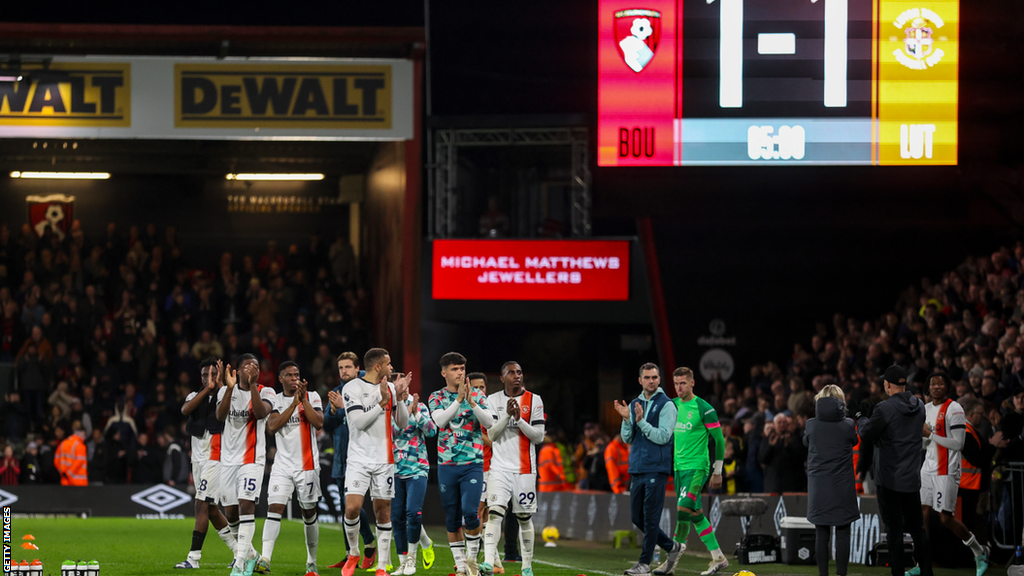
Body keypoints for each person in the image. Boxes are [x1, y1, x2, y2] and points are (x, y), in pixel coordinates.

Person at [333, 347, 410, 576]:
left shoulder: (389, 390)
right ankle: (355, 552)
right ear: (378, 366)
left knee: (383, 512)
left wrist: (401, 398)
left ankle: (382, 566)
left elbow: (402, 423)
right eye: (388, 364)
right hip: (358, 459)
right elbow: (358, 422)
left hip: (384, 459)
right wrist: (381, 402)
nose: (391, 367)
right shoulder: (353, 388)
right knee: (352, 509)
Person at [856, 365, 932, 576]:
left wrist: (862, 416)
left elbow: (867, 434)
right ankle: (927, 571)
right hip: (911, 478)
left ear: (888, 385)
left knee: (894, 529)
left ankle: (898, 573)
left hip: (889, 479)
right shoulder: (919, 405)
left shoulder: (884, 408)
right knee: (918, 528)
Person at [428, 352, 495, 576]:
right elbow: (439, 421)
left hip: (473, 463)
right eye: (455, 369)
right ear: (444, 372)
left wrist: (472, 403)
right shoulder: (436, 397)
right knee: (452, 516)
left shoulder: (477, 394)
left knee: (471, 513)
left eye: (462, 368)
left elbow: (490, 424)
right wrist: (458, 401)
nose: (460, 372)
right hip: (447, 464)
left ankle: (473, 562)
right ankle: (461, 566)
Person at [655, 367, 724, 576]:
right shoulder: (672, 405)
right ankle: (718, 557)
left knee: (683, 509)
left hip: (697, 468)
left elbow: (719, 440)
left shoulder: (704, 408)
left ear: (692, 383)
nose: (679, 388)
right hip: (678, 469)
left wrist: (717, 470)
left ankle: (672, 557)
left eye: (683, 383)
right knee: (696, 515)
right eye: (676, 383)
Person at [257, 361, 324, 575]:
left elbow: (319, 422)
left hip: (308, 465)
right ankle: (265, 558)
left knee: (308, 513)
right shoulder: (275, 399)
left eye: (297, 374)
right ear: (281, 379)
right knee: (274, 509)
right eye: (289, 375)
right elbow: (272, 426)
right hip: (283, 466)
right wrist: (293, 405)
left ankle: (311, 562)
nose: (294, 378)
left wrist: (303, 401)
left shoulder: (312, 396)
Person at [918, 372, 988, 576]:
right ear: (928, 388)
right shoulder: (925, 409)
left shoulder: (954, 408)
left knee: (946, 519)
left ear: (947, 387)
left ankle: (979, 550)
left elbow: (958, 444)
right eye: (933, 384)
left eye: (941, 383)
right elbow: (926, 442)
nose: (937, 387)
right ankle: (922, 561)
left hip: (947, 470)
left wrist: (930, 434)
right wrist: (923, 439)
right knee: (921, 511)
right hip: (927, 467)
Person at [613, 363, 678, 576]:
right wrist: (626, 419)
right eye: (648, 377)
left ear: (659, 380)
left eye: (655, 377)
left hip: (656, 468)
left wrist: (640, 423)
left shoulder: (667, 405)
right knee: (637, 518)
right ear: (640, 380)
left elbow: (663, 437)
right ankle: (671, 547)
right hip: (637, 467)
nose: (652, 380)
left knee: (650, 519)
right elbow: (627, 438)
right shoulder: (635, 403)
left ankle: (644, 564)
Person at [481, 362, 545, 576]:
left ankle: (527, 567)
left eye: (519, 372)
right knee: (495, 514)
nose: (516, 376)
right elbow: (491, 435)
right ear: (502, 378)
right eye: (511, 373)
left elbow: (538, 436)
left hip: (525, 470)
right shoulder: (492, 400)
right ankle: (489, 563)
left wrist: (519, 420)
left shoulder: (534, 400)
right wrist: (507, 416)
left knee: (524, 518)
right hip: (499, 469)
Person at [216, 353, 277, 576]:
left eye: (256, 366)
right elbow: (220, 417)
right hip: (228, 461)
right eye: (247, 366)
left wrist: (252, 386)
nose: (253, 369)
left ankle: (240, 563)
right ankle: (252, 554)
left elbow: (261, 414)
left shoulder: (266, 391)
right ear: (238, 371)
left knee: (246, 506)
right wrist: (230, 389)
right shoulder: (225, 391)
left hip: (252, 460)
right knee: (230, 513)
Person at [176, 358, 235, 569]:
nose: (207, 379)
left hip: (215, 457)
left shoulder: (225, 395)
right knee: (210, 509)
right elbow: (185, 410)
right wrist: (206, 388)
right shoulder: (195, 395)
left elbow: (224, 413)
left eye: (211, 374)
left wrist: (219, 386)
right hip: (198, 459)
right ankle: (240, 552)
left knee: (200, 504)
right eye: (203, 375)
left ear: (218, 375)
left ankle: (193, 558)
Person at [323, 352, 378, 569]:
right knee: (348, 508)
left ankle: (373, 546)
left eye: (348, 367)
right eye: (341, 368)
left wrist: (342, 410)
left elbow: (365, 418)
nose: (344, 371)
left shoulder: (369, 389)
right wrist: (334, 411)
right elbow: (326, 426)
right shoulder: (337, 393)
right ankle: (349, 554)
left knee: (364, 506)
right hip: (342, 459)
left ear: (358, 369)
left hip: (367, 456)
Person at [803, 384, 858, 576]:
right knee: (843, 532)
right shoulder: (849, 424)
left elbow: (806, 441)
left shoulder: (811, 424)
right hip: (842, 485)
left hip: (819, 485)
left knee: (821, 533)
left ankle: (823, 575)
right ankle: (841, 574)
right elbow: (855, 440)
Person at [392, 379, 437, 575]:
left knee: (412, 512)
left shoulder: (420, 406)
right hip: (393, 469)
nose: (403, 389)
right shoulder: (388, 406)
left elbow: (431, 431)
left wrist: (416, 413)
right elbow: (389, 433)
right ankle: (402, 562)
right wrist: (405, 413)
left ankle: (412, 559)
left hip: (417, 468)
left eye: (405, 385)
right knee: (397, 518)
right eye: (399, 385)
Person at [960, 398, 1004, 544]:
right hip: (968, 485)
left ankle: (979, 552)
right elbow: (978, 459)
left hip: (972, 485)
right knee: (972, 521)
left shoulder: (970, 431)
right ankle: (977, 553)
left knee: (974, 520)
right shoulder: (965, 432)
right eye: (980, 413)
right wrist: (992, 446)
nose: (982, 417)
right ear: (971, 415)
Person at [54, 420, 87, 486]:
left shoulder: (63, 444)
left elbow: (56, 460)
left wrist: (62, 472)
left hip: (65, 481)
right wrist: (69, 473)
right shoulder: (80, 445)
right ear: (82, 433)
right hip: (78, 482)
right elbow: (79, 461)